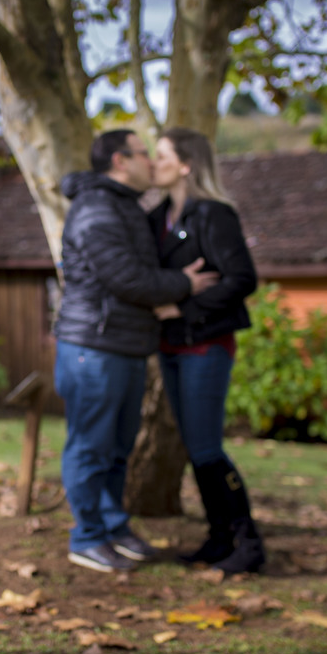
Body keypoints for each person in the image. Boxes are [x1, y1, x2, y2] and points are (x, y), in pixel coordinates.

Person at [54, 129, 220, 573]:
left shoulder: (123, 205)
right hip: (93, 346)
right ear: (120, 161)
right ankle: (86, 537)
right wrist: (186, 283)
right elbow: (126, 277)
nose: (151, 162)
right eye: (144, 153)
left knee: (118, 447)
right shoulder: (95, 208)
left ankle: (113, 528)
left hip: (121, 344)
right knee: (90, 446)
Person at [149, 127, 264, 574]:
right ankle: (220, 537)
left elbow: (242, 279)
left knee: (206, 448)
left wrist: (182, 305)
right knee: (196, 447)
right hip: (171, 346)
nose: (155, 164)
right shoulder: (157, 216)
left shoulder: (213, 214)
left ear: (185, 165)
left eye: (162, 156)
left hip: (207, 344)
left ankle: (247, 540)